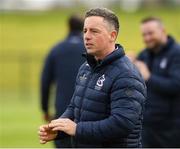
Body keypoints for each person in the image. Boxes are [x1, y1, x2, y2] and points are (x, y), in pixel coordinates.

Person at [38, 8, 146, 148]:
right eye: (85, 31)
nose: (87, 36)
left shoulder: (126, 74)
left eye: (94, 31)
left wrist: (77, 129)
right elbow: (75, 107)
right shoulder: (86, 68)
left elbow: (122, 123)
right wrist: (58, 129)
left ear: (112, 36)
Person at [40, 15, 85, 148]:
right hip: (87, 112)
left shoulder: (56, 50)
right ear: (83, 28)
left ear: (68, 27)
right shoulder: (90, 49)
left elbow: (45, 82)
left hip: (62, 111)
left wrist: (45, 109)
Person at [135, 17, 180, 147]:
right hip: (146, 127)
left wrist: (149, 77)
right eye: (144, 34)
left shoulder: (176, 53)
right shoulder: (144, 54)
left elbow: (176, 85)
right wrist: (128, 63)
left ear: (163, 31)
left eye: (150, 33)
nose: (147, 38)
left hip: (170, 129)